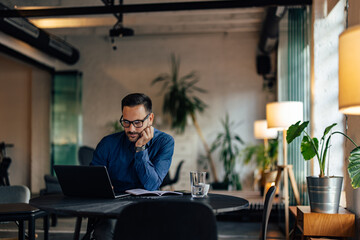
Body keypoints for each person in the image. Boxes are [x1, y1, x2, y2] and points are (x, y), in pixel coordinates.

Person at [90, 93, 175, 240]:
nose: (131, 129)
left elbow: (152, 185)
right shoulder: (108, 143)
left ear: (150, 119)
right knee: (103, 233)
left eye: (137, 122)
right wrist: (100, 187)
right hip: (111, 207)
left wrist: (141, 148)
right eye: (126, 122)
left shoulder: (165, 142)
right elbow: (92, 178)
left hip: (147, 207)